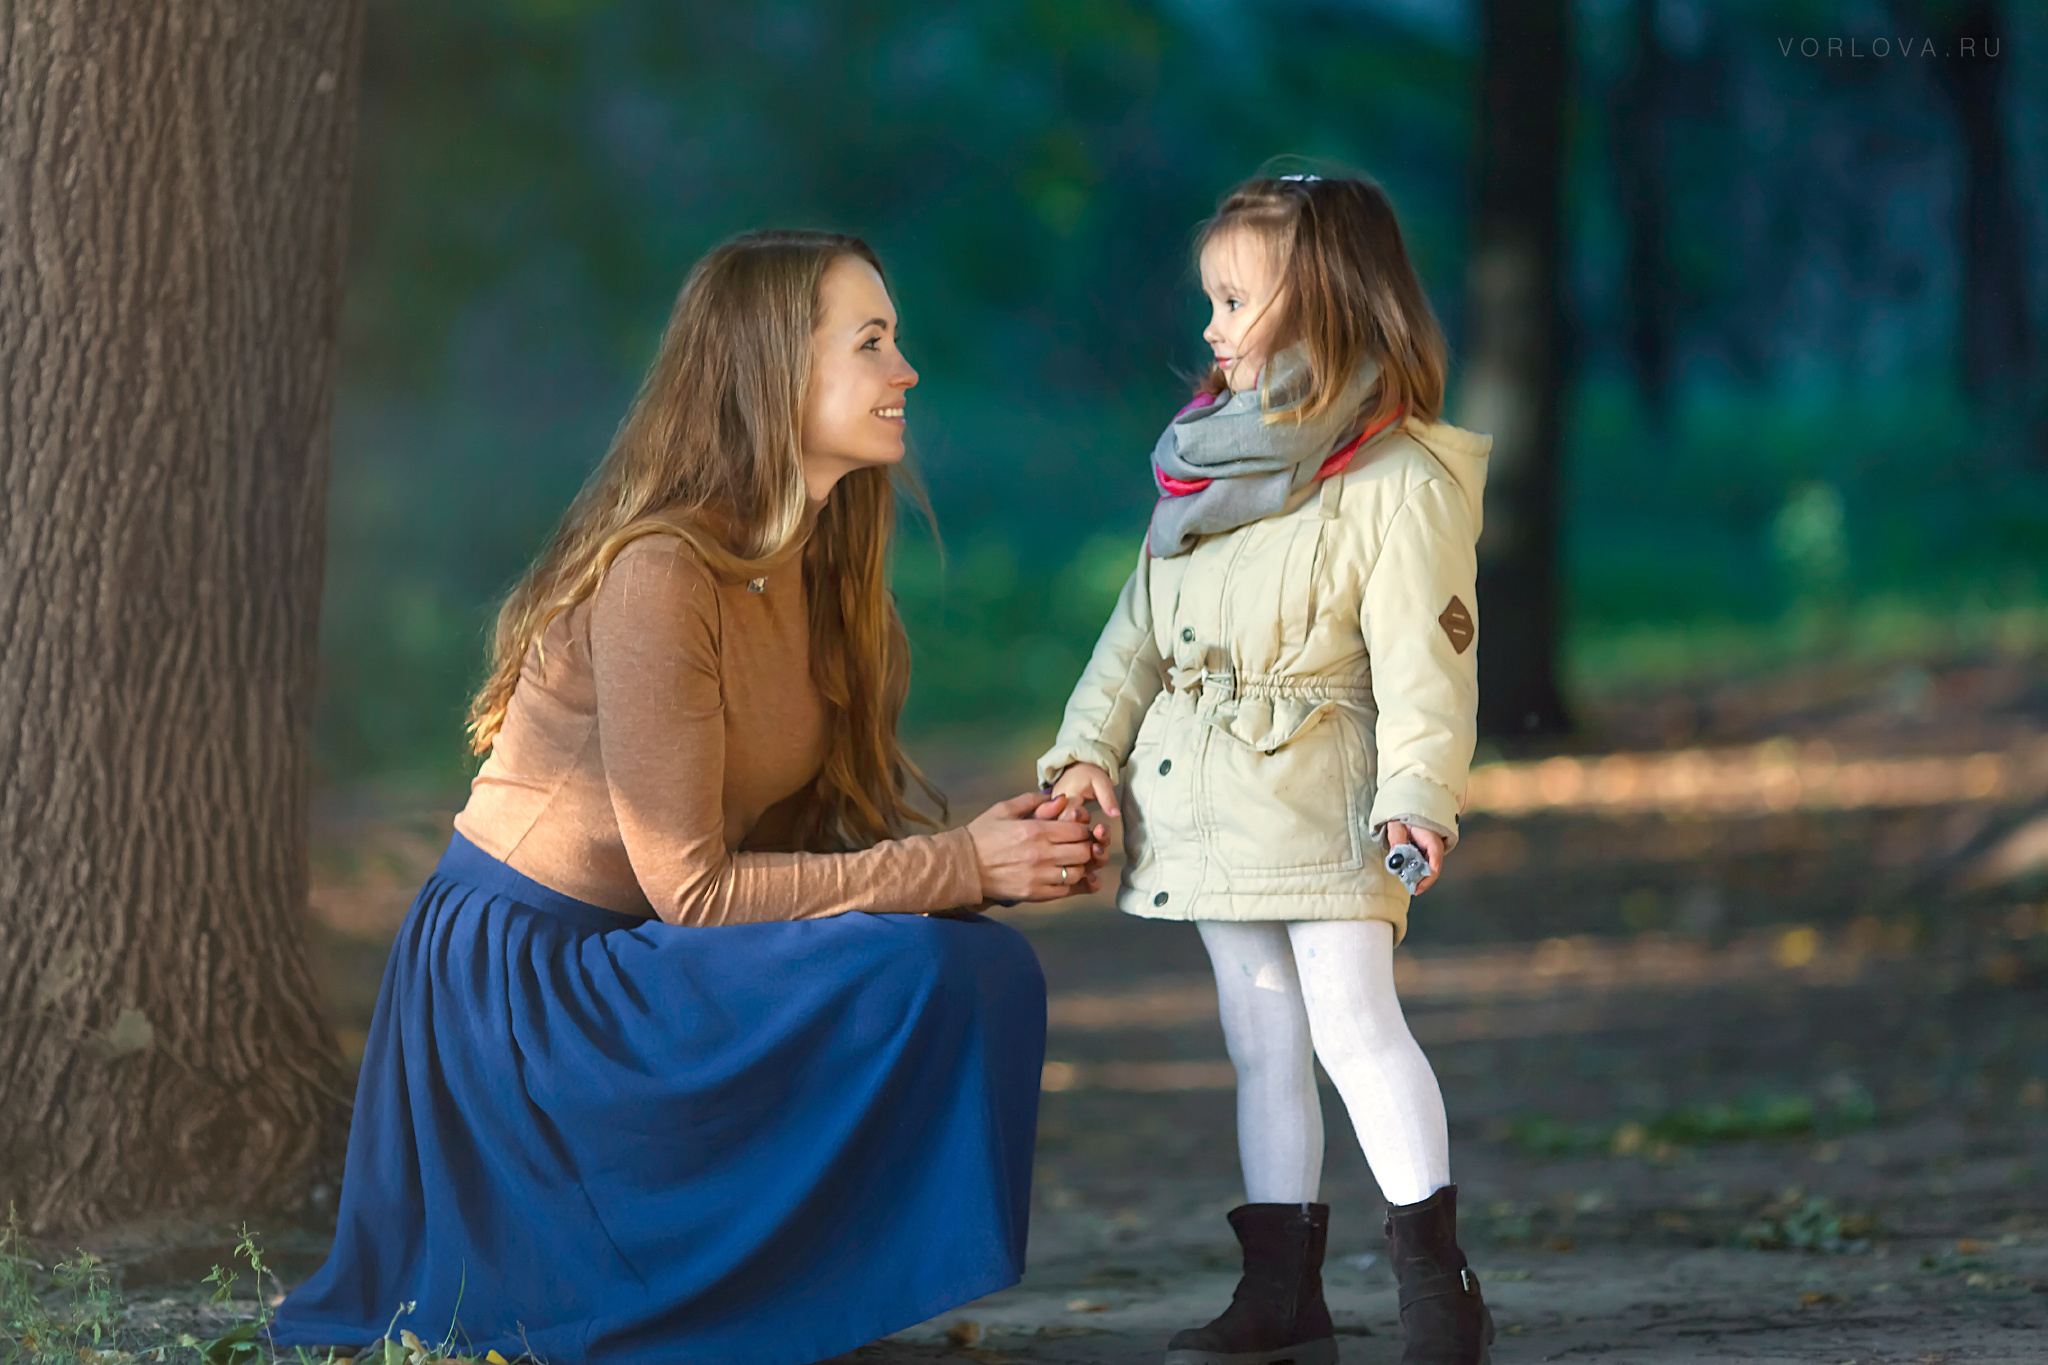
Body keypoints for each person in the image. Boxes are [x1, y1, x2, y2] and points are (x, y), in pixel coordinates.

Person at [271, 229, 1107, 1365]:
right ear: (772, 369)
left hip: (642, 956)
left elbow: (815, 848)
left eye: (896, 342)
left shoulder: (823, 572)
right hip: (530, 991)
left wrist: (1008, 855)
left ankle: (805, 1292)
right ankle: (734, 1296)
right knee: (914, 965)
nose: (904, 371)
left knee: (978, 970)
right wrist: (955, 866)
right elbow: (695, 887)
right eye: (871, 343)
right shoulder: (663, 573)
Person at [1037, 172, 1496, 1365]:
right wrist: (1085, 748)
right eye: (1210, 300)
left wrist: (1416, 797)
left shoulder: (1398, 479)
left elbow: (1426, 666)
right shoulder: (1203, 465)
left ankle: (1435, 1290)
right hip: (1202, 798)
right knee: (1259, 1039)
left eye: (1234, 300)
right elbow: (1136, 630)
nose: (1210, 326)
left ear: (1324, 306)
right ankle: (1279, 1290)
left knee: (1355, 1026)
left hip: (1327, 794)